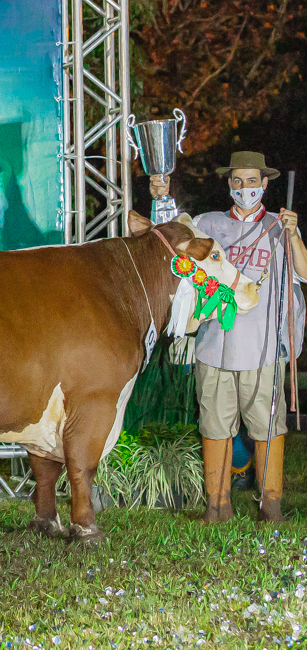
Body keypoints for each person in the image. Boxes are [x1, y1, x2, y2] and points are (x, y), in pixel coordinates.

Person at [152, 151, 306, 522]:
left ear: (265, 184)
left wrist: (294, 234)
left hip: (264, 347)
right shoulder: (208, 224)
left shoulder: (279, 226)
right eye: (237, 181)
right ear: (229, 184)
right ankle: (217, 505)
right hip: (215, 346)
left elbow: (304, 271)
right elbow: (168, 237)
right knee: (215, 426)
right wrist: (161, 199)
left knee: (268, 428)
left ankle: (271, 505)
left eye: (252, 181)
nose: (244, 188)